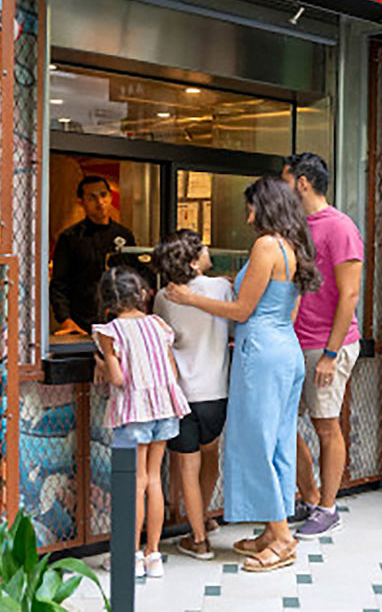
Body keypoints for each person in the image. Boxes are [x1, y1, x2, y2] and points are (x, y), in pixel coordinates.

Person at [166, 177, 321, 573]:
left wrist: (188, 298)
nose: (247, 215)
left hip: (262, 353)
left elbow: (241, 311)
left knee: (254, 442)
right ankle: (273, 529)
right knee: (279, 442)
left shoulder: (266, 245)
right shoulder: (292, 247)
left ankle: (282, 538)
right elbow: (288, 311)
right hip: (285, 349)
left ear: (265, 207)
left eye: (251, 207)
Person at [281, 152, 363, 539]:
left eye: (285, 181)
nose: (282, 189)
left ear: (302, 183)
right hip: (294, 342)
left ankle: (329, 508)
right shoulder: (296, 227)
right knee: (284, 422)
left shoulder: (340, 227)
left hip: (326, 345)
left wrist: (331, 355)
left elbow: (349, 296)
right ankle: (310, 495)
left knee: (326, 425)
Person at [92, 266, 190, 579]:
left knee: (134, 482)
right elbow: (172, 374)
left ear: (107, 300)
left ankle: (129, 556)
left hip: (134, 410)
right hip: (164, 409)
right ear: (141, 294)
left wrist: (101, 363)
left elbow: (118, 378)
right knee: (153, 480)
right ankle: (153, 555)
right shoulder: (158, 325)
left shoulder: (110, 332)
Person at [152, 229, 233, 560]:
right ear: (192, 262)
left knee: (187, 466)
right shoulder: (223, 288)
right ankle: (202, 519)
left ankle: (198, 537)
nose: (208, 248)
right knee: (210, 455)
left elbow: (161, 342)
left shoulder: (163, 297)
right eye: (201, 248)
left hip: (182, 394)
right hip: (217, 392)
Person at [50, 176, 136, 335]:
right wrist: (65, 320)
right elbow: (59, 285)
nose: (100, 202)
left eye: (103, 195)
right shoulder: (70, 238)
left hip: (120, 322)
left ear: (110, 197)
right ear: (80, 202)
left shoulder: (124, 235)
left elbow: (134, 276)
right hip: (82, 324)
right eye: (92, 197)